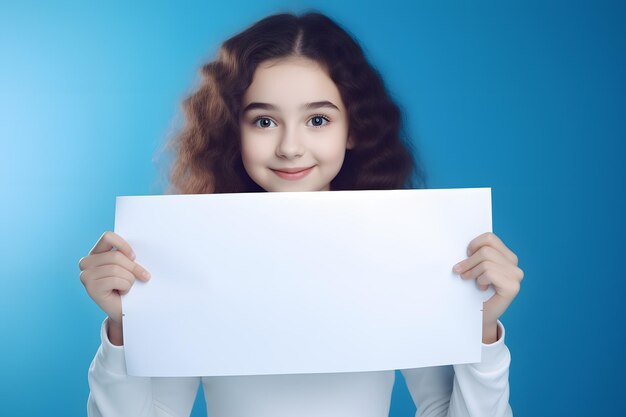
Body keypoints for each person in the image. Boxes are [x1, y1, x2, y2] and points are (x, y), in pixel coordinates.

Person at [79, 11, 523, 417]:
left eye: (317, 120)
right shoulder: (194, 250)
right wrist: (124, 330)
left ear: (354, 129)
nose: (290, 147)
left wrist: (479, 331)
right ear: (233, 130)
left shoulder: (402, 246)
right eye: (264, 121)